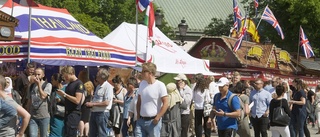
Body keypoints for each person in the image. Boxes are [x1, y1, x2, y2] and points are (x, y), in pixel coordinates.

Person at [136, 62, 169, 137]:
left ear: (150, 73)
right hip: (141, 120)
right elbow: (139, 101)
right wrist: (138, 116)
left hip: (153, 122)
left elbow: (166, 103)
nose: (141, 73)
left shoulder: (160, 85)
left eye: (143, 71)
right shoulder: (142, 84)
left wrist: (158, 117)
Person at [56, 66, 85, 137]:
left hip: (74, 113)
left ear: (71, 73)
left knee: (71, 133)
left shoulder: (79, 84)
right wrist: (61, 99)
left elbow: (77, 100)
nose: (65, 78)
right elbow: (69, 100)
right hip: (67, 113)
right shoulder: (69, 84)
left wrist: (65, 95)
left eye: (66, 76)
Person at [85, 68, 113, 137]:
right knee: (92, 134)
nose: (96, 76)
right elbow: (98, 99)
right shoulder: (98, 86)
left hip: (102, 113)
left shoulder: (108, 87)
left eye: (98, 74)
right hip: (94, 112)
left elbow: (106, 103)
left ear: (102, 77)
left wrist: (93, 104)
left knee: (102, 134)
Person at [27, 68, 52, 137]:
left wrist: (39, 85)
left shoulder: (48, 85)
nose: (36, 76)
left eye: (38, 74)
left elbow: (43, 96)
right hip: (33, 116)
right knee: (32, 135)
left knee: (44, 135)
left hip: (44, 115)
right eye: (35, 74)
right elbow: (29, 100)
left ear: (43, 75)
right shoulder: (31, 86)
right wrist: (27, 113)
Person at [78, 70, 93, 137]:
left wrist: (79, 104)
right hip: (89, 104)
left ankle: (81, 134)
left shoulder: (83, 85)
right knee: (86, 121)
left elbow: (83, 96)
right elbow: (92, 94)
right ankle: (86, 134)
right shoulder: (91, 84)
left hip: (83, 104)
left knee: (81, 119)